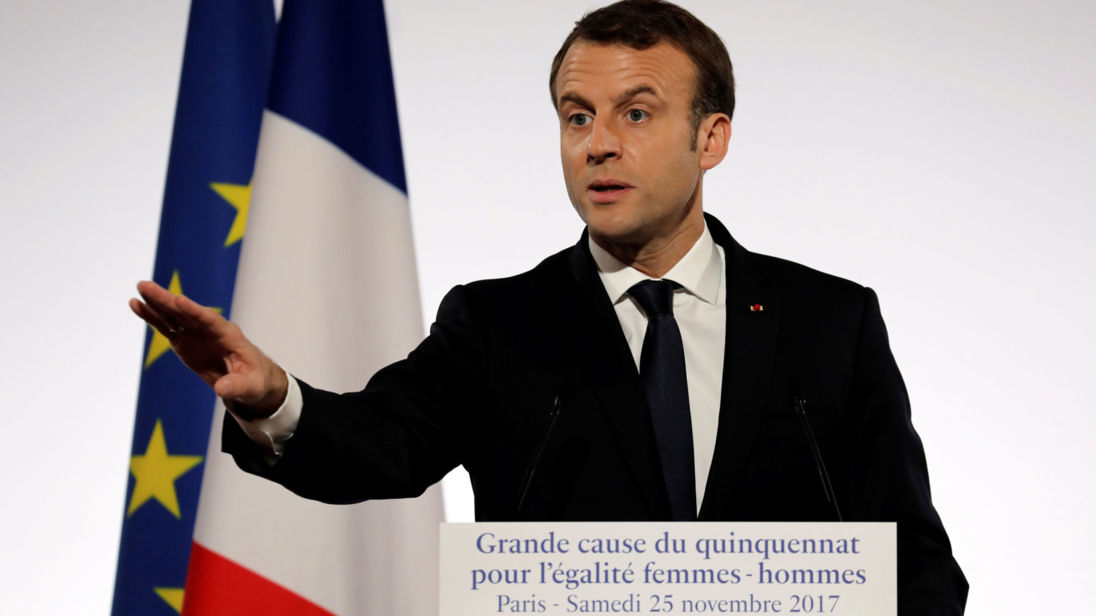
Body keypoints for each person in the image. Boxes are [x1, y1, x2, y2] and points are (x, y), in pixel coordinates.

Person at [130, 1, 967, 612]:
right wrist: (276, 399)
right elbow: (378, 444)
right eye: (577, 116)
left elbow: (916, 565)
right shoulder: (499, 326)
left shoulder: (828, 321)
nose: (597, 142)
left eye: (636, 113)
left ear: (710, 137)